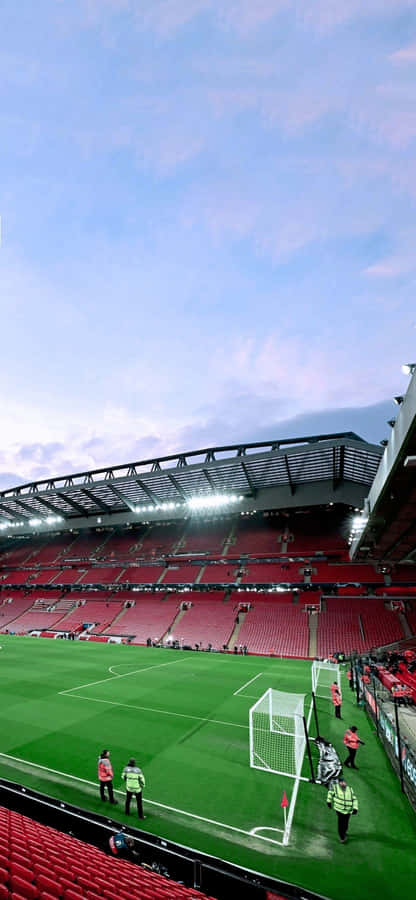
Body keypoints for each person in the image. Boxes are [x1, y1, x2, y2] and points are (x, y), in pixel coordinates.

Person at [327, 778, 358, 843]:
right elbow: (330, 793)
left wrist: (355, 808)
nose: (344, 783)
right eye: (342, 782)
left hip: (348, 811)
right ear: (339, 783)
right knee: (341, 823)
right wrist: (329, 802)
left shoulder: (350, 789)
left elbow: (354, 799)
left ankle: (344, 832)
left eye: (344, 782)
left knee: (346, 823)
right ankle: (342, 837)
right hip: (339, 810)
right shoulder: (335, 788)